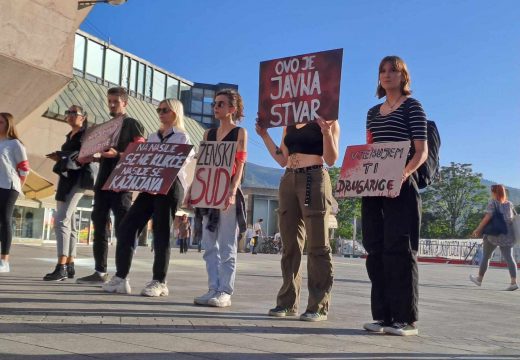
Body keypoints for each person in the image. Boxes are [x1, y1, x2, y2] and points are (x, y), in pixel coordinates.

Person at [361, 56, 428, 336]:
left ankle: (405, 319)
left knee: (400, 249)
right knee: (375, 248)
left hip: (402, 184)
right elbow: (370, 149)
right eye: (383, 71)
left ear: (403, 77)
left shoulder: (413, 106)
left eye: (393, 71)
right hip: (374, 186)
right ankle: (383, 316)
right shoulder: (372, 113)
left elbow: (421, 150)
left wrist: (404, 172)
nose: (387, 75)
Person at [256, 108, 340, 321]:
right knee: (290, 244)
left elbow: (331, 159)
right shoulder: (289, 122)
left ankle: (318, 305)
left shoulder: (328, 119)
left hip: (314, 176)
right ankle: (287, 302)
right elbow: (282, 159)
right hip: (289, 178)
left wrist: (326, 132)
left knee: (318, 245)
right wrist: (265, 135)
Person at [103, 98, 193, 296]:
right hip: (149, 186)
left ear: (175, 113)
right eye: (159, 109)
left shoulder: (182, 137)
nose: (160, 113)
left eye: (165, 110)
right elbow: (141, 161)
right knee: (127, 226)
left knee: (160, 232)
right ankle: (121, 277)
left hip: (170, 186)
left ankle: (159, 281)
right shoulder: (153, 136)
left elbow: (179, 162)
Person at [76, 87, 144, 285]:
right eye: (110, 101)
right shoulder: (105, 127)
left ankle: (122, 275)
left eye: (115, 101)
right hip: (103, 183)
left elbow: (139, 152)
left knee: (124, 228)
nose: (112, 104)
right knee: (99, 226)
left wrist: (118, 155)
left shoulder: (132, 124)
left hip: (121, 184)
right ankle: (100, 271)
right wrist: (92, 157)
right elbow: (104, 154)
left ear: (125, 103)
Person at [188, 89, 247, 308]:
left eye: (221, 104)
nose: (216, 107)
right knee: (209, 244)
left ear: (232, 109)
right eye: (215, 104)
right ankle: (213, 287)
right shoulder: (208, 135)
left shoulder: (240, 132)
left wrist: (233, 189)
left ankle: (225, 291)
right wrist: (192, 189)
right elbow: (202, 165)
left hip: (227, 191)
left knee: (227, 244)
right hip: (208, 192)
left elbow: (240, 163)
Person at [43, 105, 89, 281]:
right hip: (66, 179)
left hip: (77, 179)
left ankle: (60, 267)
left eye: (73, 113)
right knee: (69, 223)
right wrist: (61, 156)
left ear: (82, 117)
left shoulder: (85, 135)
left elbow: (82, 154)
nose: (69, 116)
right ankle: (69, 264)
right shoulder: (69, 136)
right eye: (67, 112)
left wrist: (62, 155)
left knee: (61, 220)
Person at [470, 184, 518, 291]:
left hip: (493, 235)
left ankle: (479, 279)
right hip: (507, 235)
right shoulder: (509, 204)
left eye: (492, 191)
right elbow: (511, 219)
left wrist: (478, 229)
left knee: (486, 256)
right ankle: (514, 282)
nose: (491, 193)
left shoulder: (493, 203)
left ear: (495, 193)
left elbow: (487, 218)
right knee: (510, 258)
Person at [0, 113, 29, 273]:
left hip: (9, 186)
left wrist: (18, 186)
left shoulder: (15, 144)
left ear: (8, 124)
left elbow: (24, 168)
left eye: (1, 122)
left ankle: (4, 261)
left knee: (4, 220)